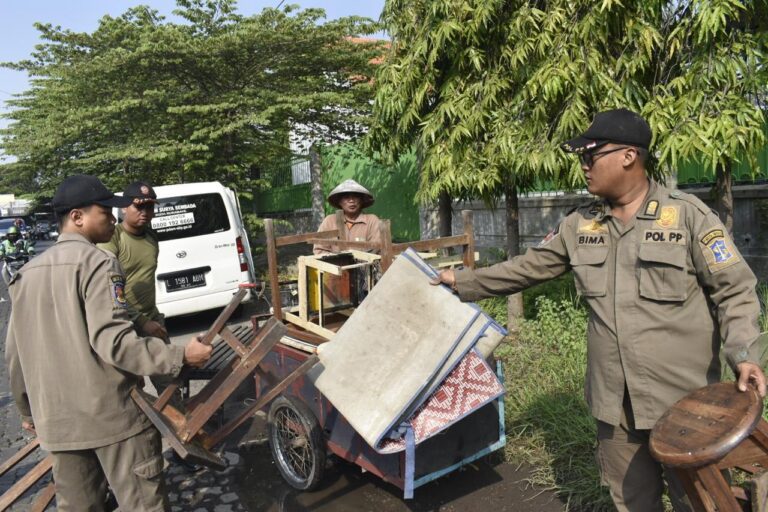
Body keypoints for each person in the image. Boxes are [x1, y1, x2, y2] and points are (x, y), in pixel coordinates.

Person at [431, 108, 767, 512]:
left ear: (628, 156)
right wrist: (461, 283)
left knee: (699, 502)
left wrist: (745, 355)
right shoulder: (579, 224)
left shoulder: (689, 217)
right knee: (630, 501)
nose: (584, 167)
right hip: (614, 406)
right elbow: (526, 268)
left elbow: (735, 290)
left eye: (591, 156)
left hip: (684, 404)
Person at [5, 174, 212, 511]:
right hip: (113, 420)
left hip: (58, 425)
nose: (113, 217)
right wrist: (181, 355)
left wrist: (28, 410)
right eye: (105, 211)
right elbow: (115, 343)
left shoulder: (26, 275)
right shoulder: (98, 264)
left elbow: (15, 355)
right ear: (77, 217)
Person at [98, 181, 165, 340]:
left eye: (149, 207)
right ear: (124, 208)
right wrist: (141, 321)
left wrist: (153, 320)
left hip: (152, 318)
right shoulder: (112, 238)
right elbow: (108, 288)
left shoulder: (151, 236)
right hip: (126, 323)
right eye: (139, 207)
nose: (144, 212)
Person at [313, 179, 382, 254]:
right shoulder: (330, 221)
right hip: (334, 264)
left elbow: (376, 248)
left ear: (361, 200)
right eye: (346, 197)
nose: (351, 200)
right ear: (339, 202)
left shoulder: (372, 220)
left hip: (366, 264)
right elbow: (319, 249)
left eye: (355, 197)